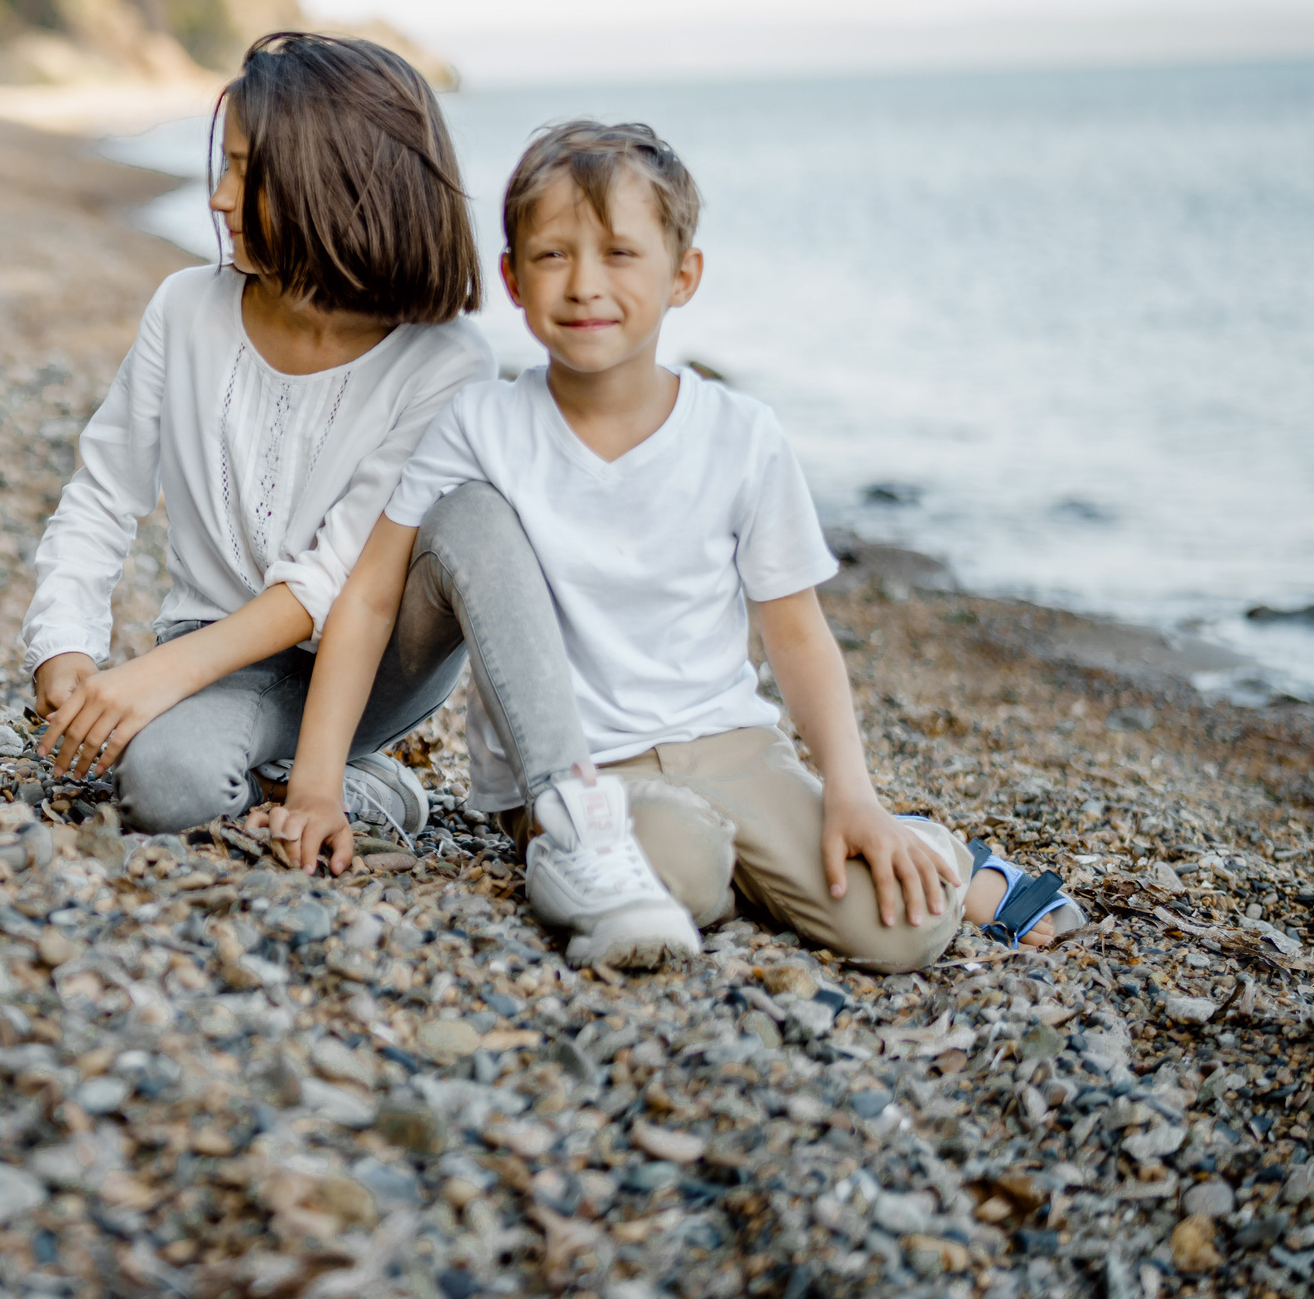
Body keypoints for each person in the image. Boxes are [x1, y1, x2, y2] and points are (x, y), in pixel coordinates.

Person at [257, 119, 1083, 972]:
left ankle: (944, 852)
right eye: (551, 256)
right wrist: (318, 784)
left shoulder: (742, 435)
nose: (584, 284)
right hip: (577, 775)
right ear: (509, 276)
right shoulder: (483, 424)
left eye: (621, 254)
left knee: (902, 932)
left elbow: (797, 636)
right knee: (680, 872)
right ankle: (698, 859)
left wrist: (853, 797)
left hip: (730, 749)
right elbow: (372, 592)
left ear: (683, 275)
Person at [25, 31, 576, 843]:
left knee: (478, 514)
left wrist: (154, 678)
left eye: (248, 172)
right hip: (215, 646)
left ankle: (565, 806)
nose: (218, 197)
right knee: (164, 784)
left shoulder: (446, 360)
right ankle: (360, 790)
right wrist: (64, 642)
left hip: (380, 657)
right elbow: (104, 491)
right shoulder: (184, 309)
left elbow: (339, 578)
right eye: (224, 165)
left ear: (341, 186)